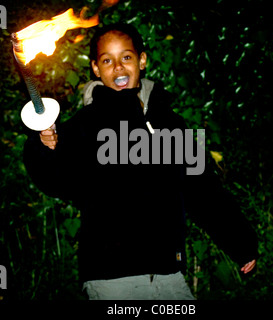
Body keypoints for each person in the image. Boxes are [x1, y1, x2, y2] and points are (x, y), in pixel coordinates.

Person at [23, 23, 257, 300]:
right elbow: (56, 180)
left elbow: (203, 189)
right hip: (111, 278)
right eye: (107, 61)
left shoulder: (170, 125)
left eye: (126, 57)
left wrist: (238, 240)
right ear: (96, 69)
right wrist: (43, 147)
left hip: (168, 273)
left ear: (142, 60)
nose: (118, 68)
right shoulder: (85, 126)